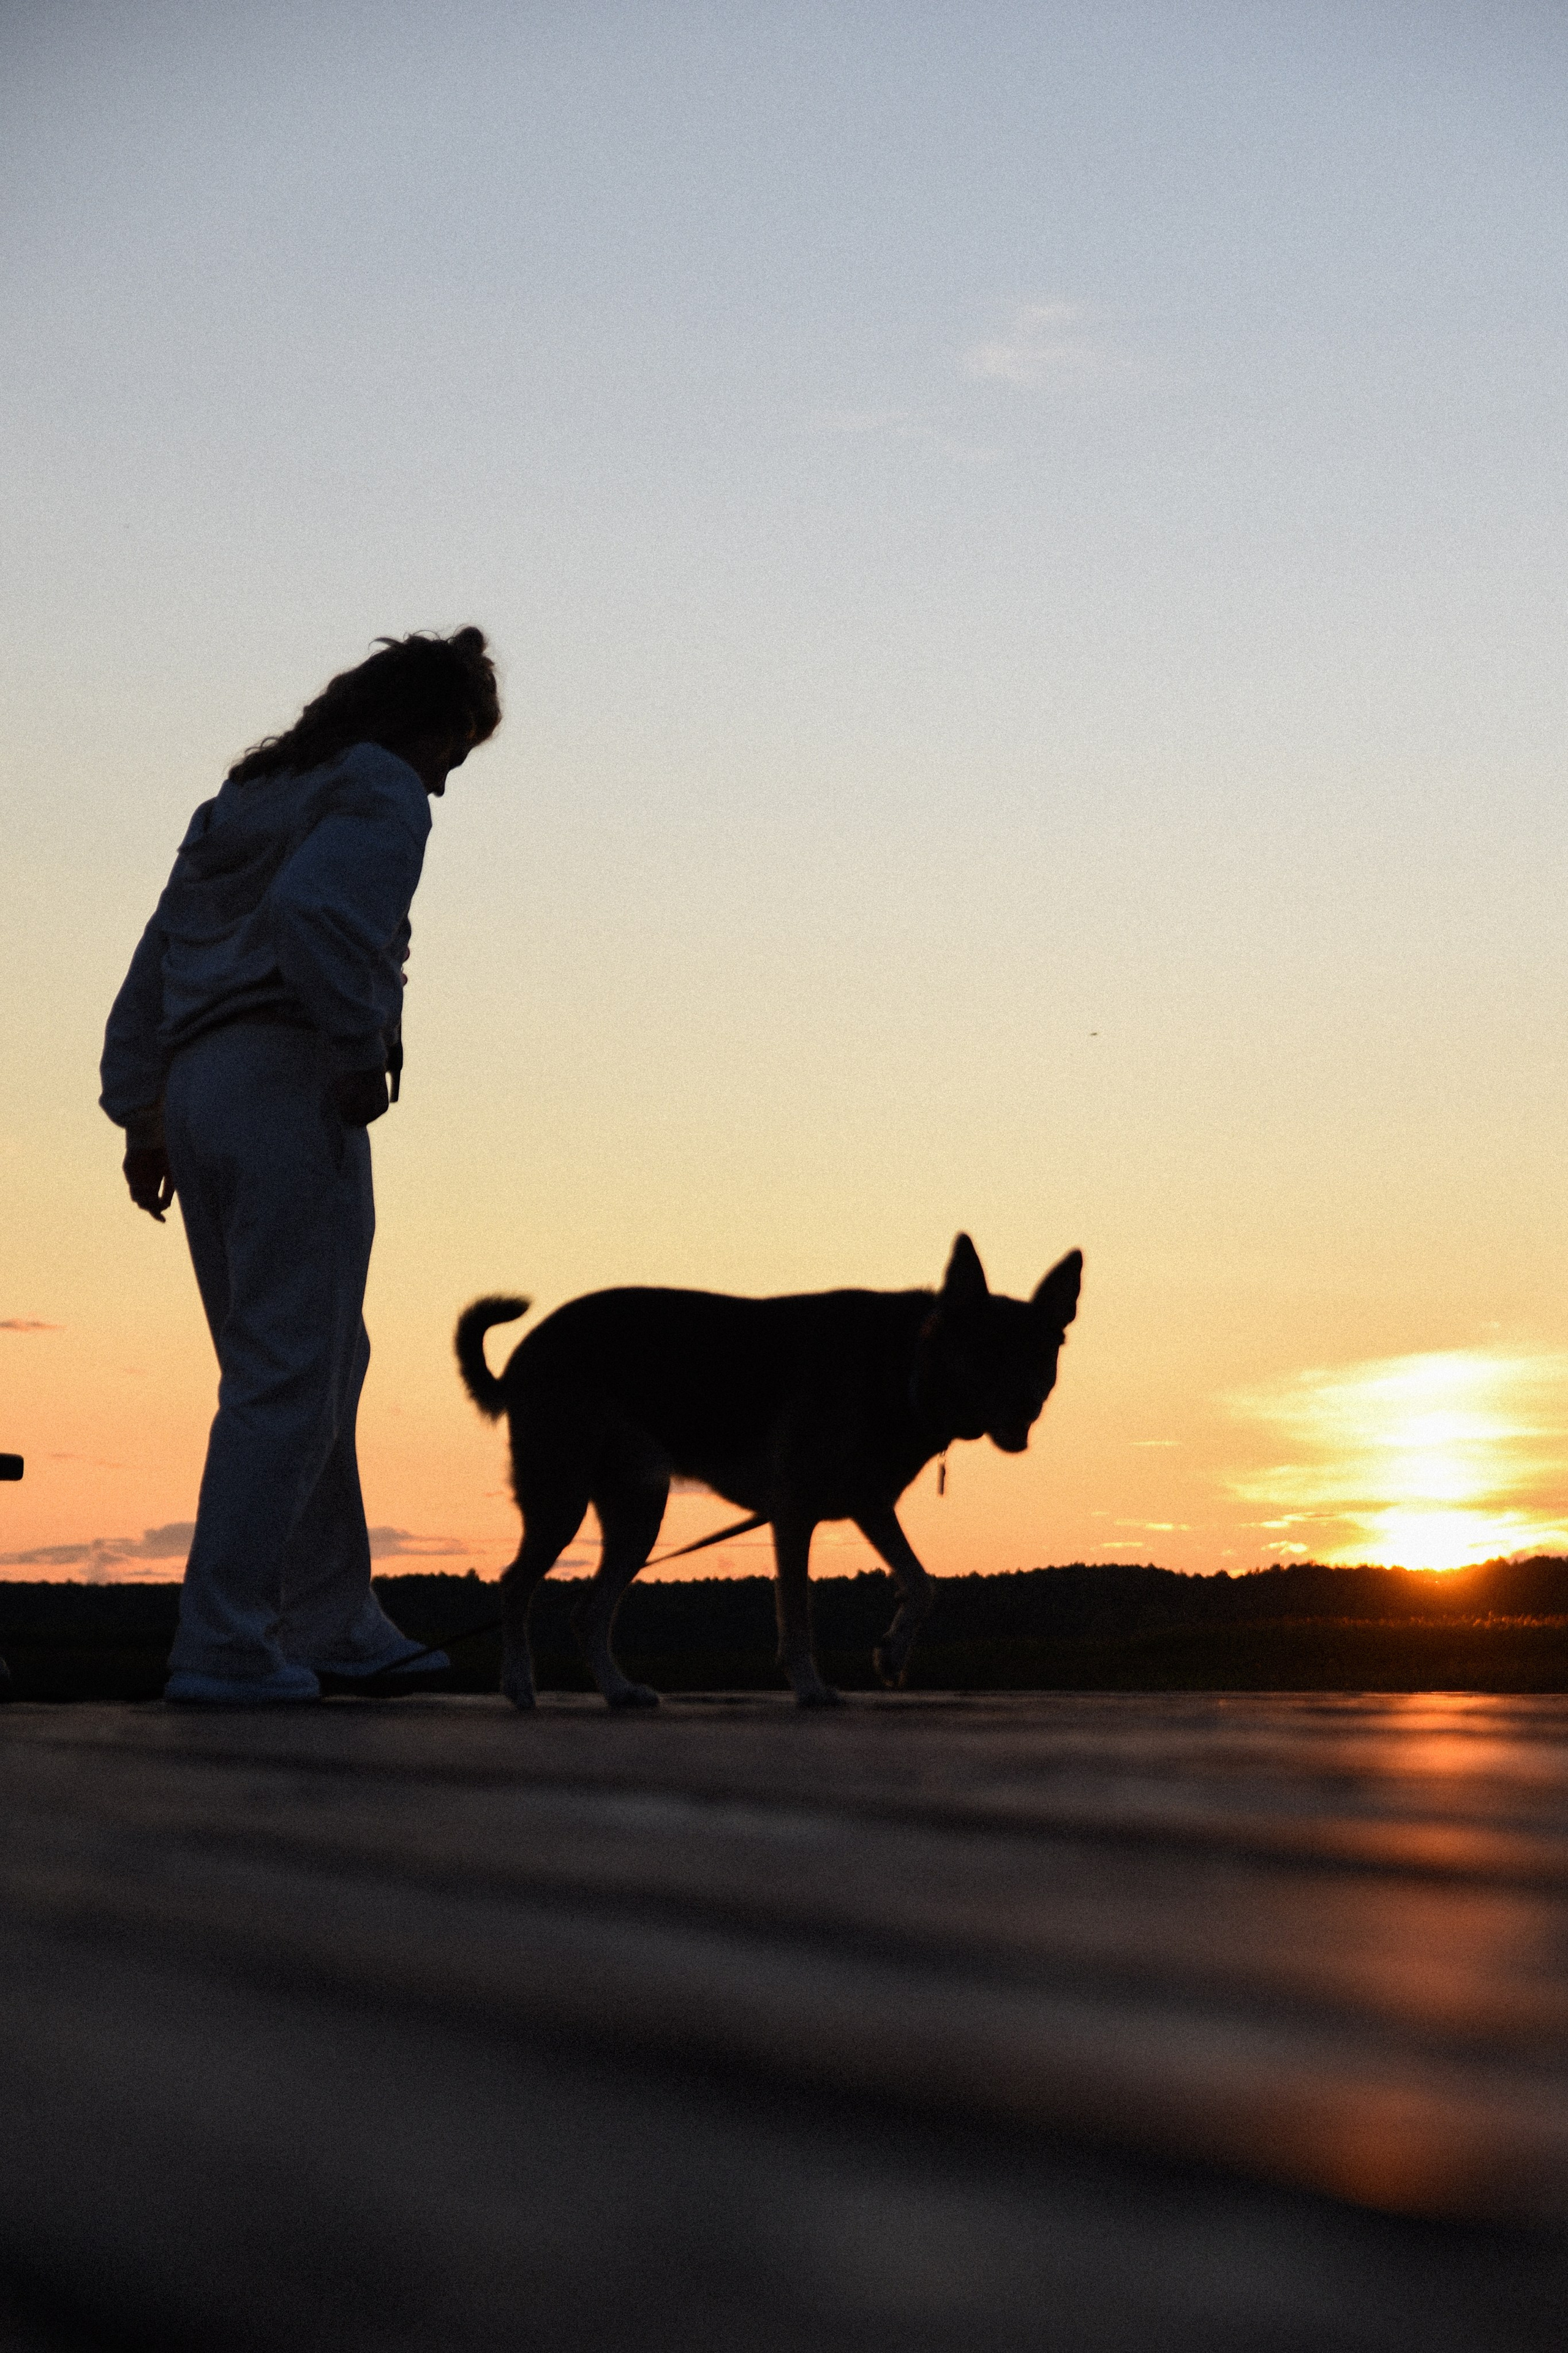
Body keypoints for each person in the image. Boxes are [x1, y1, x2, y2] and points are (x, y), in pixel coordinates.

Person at [100, 628, 502, 1702]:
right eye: (450, 758)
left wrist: (143, 1113)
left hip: (198, 1087)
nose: (442, 787)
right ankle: (226, 1640)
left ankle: (333, 1620)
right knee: (294, 1373)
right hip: (285, 1075)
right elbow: (319, 913)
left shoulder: (240, 805)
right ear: (416, 728)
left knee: (303, 1364)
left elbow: (155, 960)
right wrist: (357, 1046)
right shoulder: (379, 786)